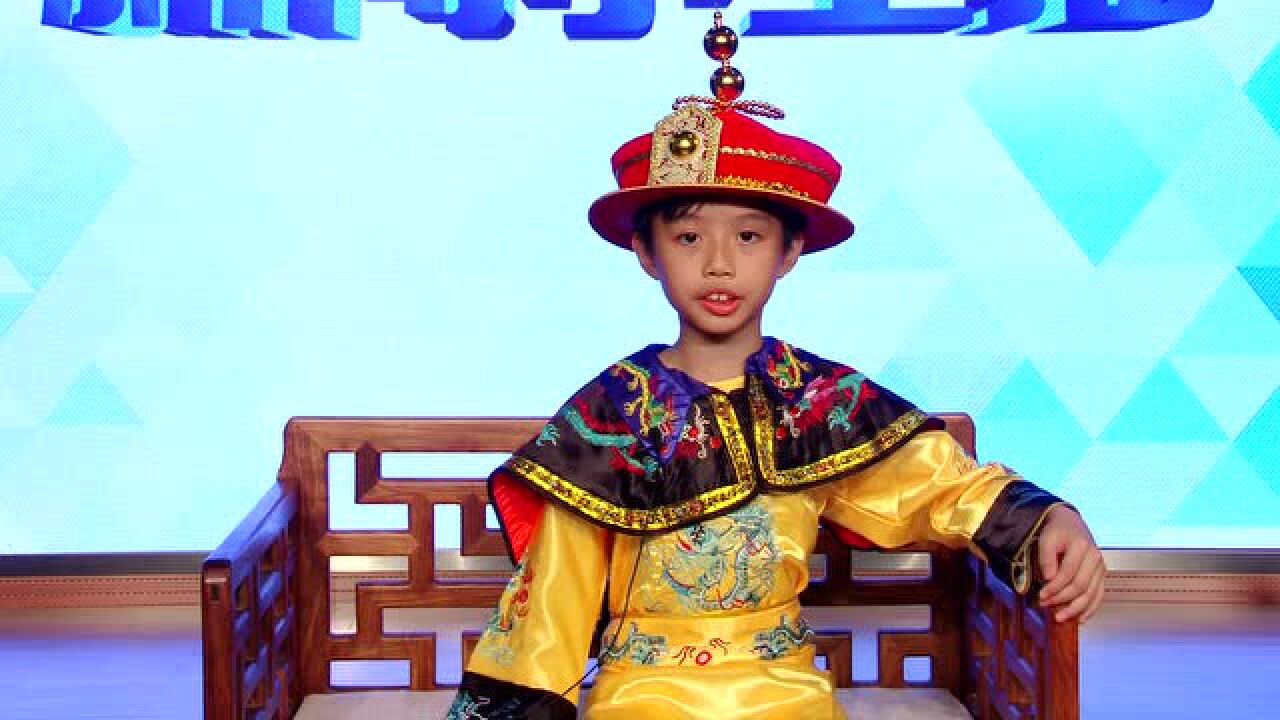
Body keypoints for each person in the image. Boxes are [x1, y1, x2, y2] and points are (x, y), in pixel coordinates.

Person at [445, 13, 1104, 720]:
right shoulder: (612, 413)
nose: (719, 264)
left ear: (790, 252)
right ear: (646, 252)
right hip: (642, 692)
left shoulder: (819, 399)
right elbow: (553, 602)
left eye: (749, 236)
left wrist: (1048, 519)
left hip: (783, 690)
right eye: (689, 237)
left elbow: (941, 487)